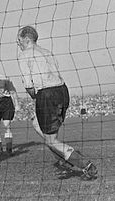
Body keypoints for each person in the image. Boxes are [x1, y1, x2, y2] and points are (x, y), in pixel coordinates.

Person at [17, 25, 97, 180]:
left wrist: (37, 97)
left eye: (18, 40)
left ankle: (86, 165)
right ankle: (64, 160)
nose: (18, 44)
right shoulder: (47, 52)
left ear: (26, 39)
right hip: (62, 91)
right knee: (36, 124)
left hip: (47, 94)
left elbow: (28, 86)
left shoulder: (25, 55)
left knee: (51, 140)